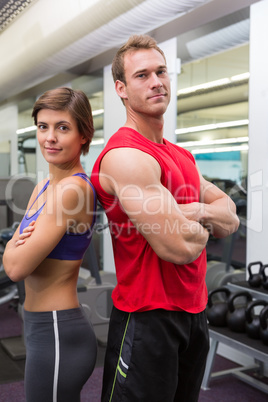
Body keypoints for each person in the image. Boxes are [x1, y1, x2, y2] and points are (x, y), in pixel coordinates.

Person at [90, 35, 240, 402]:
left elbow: (231, 216)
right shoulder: (125, 155)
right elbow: (178, 246)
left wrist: (197, 211)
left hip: (195, 311)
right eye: (142, 75)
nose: (156, 81)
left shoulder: (181, 156)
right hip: (148, 317)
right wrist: (205, 222)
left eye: (161, 72)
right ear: (121, 89)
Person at [3, 87, 98, 402]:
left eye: (63, 127)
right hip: (39, 325)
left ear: (83, 135)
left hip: (58, 330)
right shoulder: (44, 187)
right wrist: (14, 245)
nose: (50, 137)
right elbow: (15, 250)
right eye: (43, 126)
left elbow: (15, 266)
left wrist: (13, 246)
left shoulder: (71, 192)